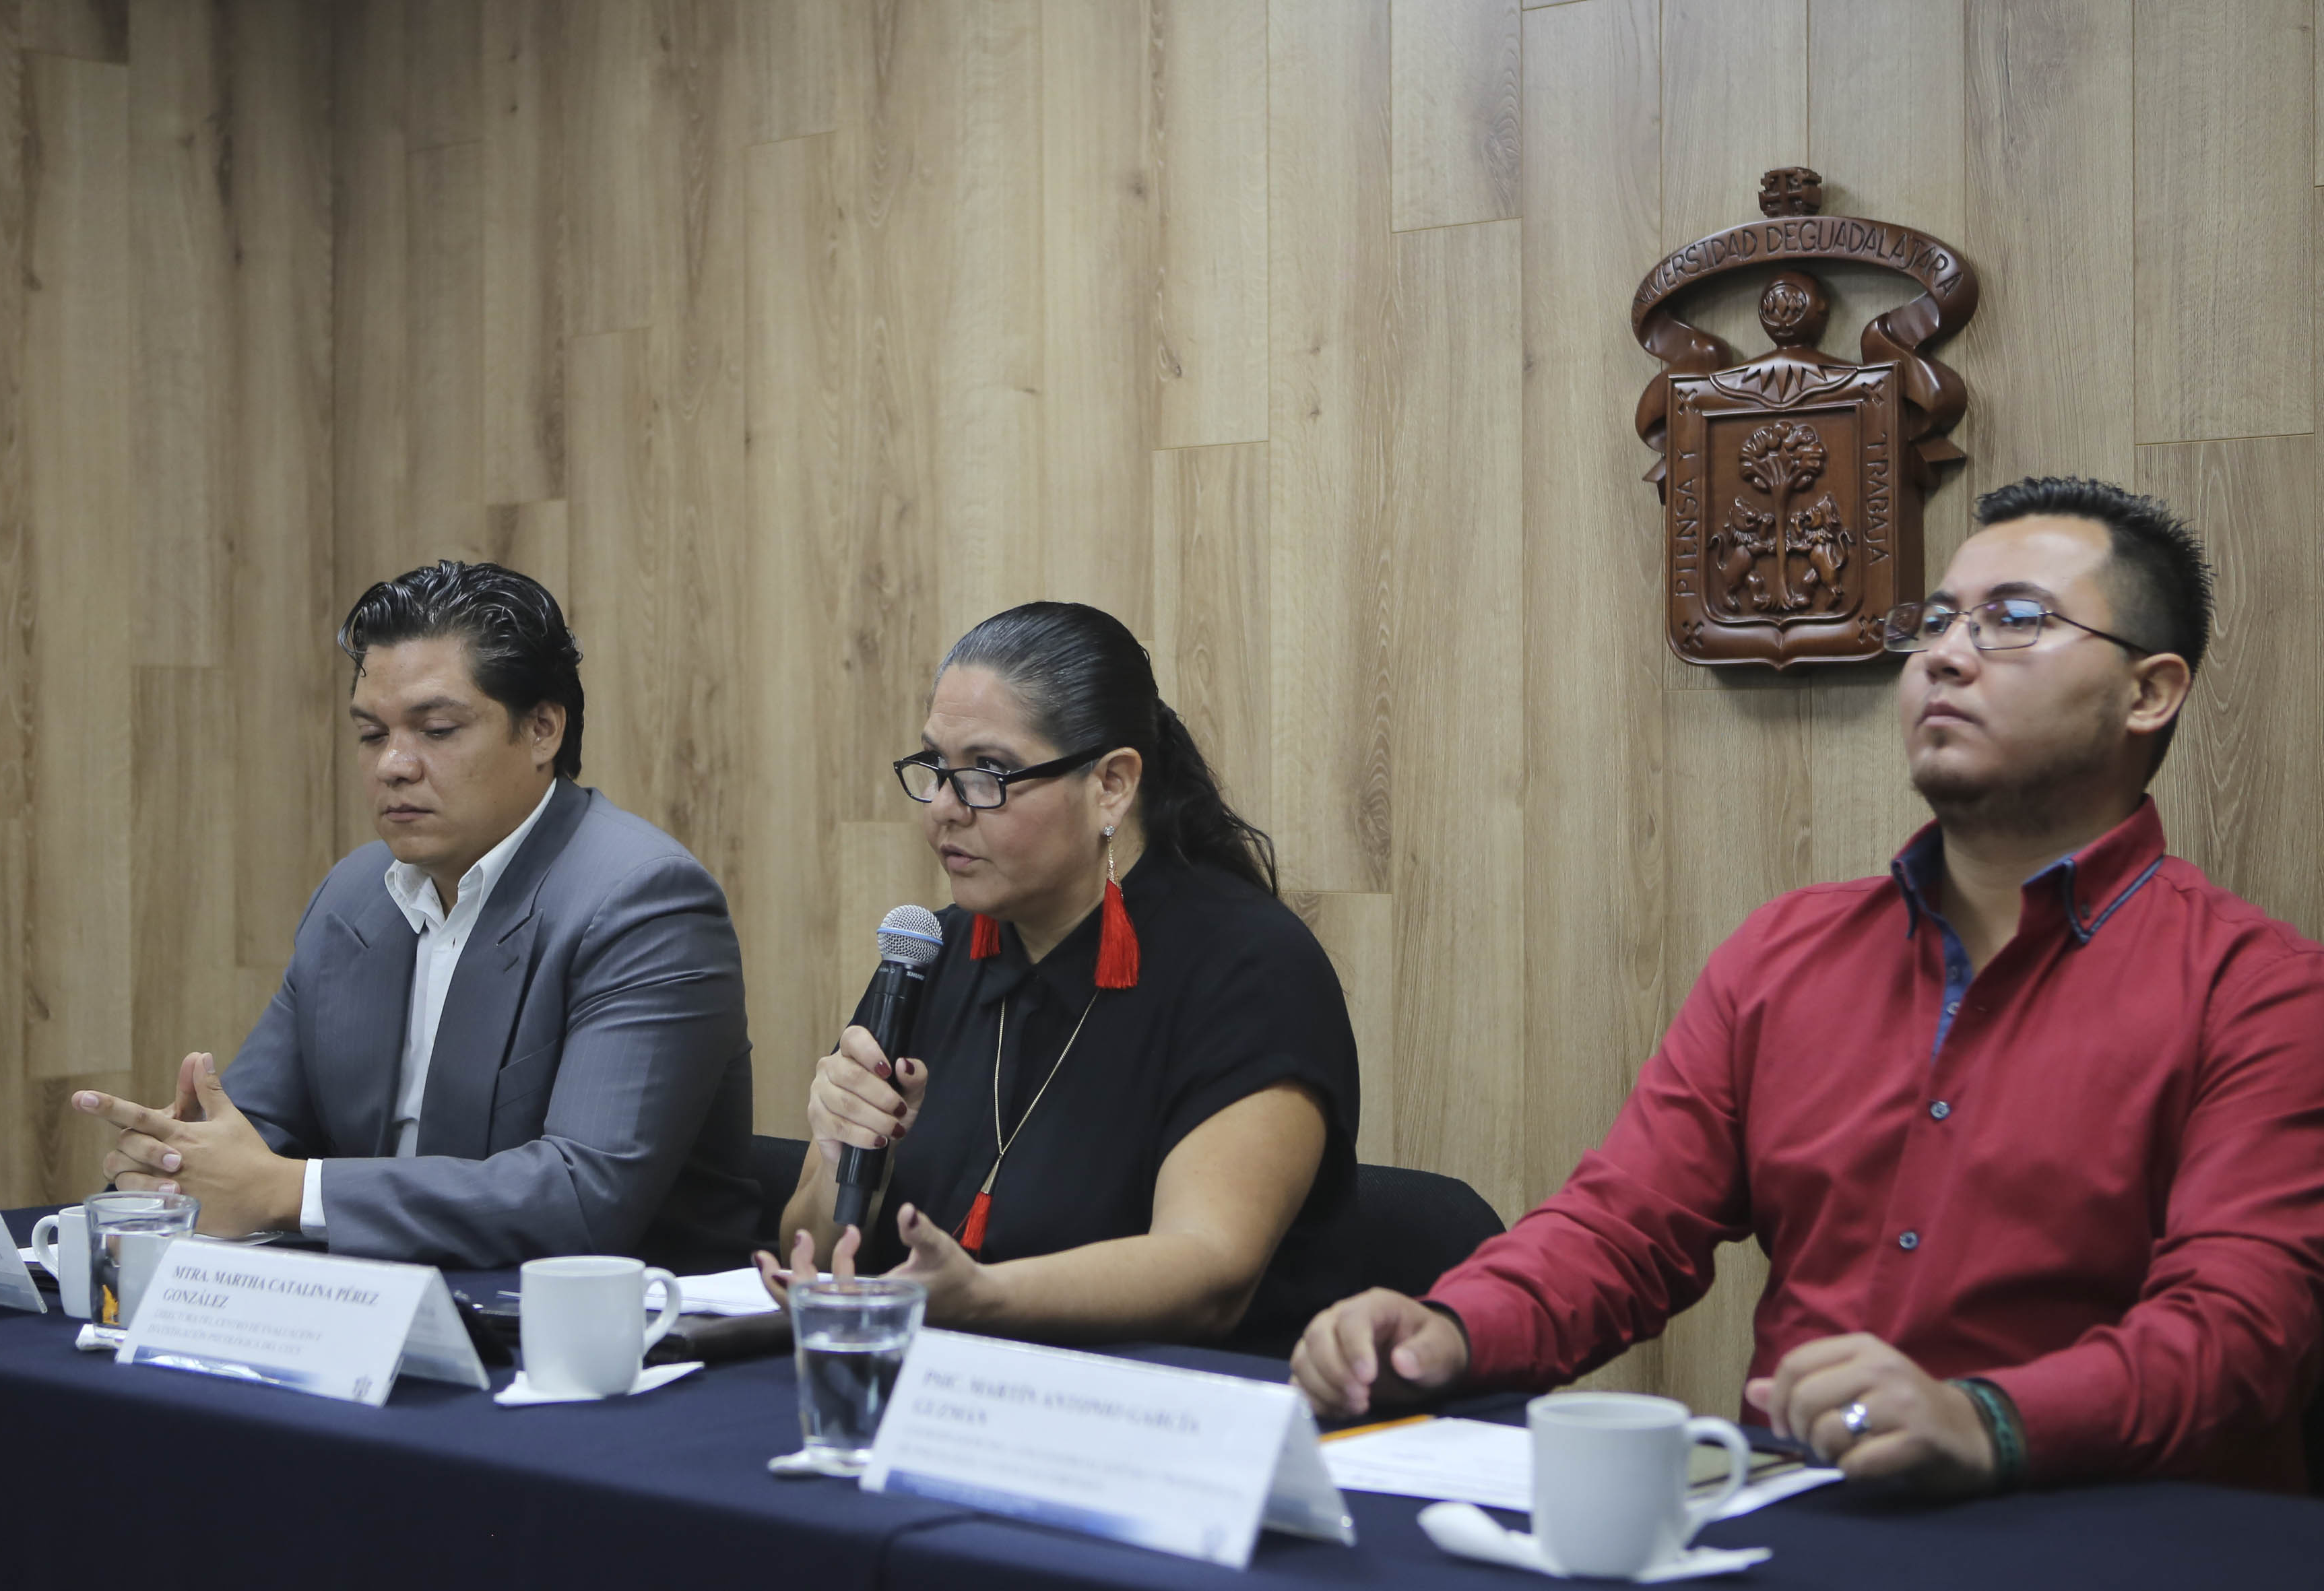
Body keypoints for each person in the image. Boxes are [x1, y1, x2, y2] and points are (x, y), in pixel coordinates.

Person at [1294, 478, 2324, 1493]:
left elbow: (2237, 1329)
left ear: (2148, 691)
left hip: (2107, 1533)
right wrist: (1451, 1327)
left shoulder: (2259, 993)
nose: (1946, 657)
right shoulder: (1786, 953)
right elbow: (1622, 1228)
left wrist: (1984, 1420)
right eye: (1934, 622)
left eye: (2012, 620)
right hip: (1805, 1513)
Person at [73, 562, 761, 1272]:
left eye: (436, 730)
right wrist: (172, 1165)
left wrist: (290, 1190)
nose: (393, 766)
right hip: (378, 1312)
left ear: (543, 729)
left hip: (613, 1346)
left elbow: (582, 1196)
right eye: (373, 735)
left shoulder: (642, 899)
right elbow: (256, 1132)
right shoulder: (355, 894)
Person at [764, 602, 1359, 1349]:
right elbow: (810, 1254)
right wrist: (839, 1157)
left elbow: (1211, 1268)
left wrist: (979, 1296)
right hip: (939, 1397)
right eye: (936, 769)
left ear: (1111, 784)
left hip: (1168, 1416)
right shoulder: (930, 956)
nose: (944, 809)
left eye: (988, 773)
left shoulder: (1251, 970)